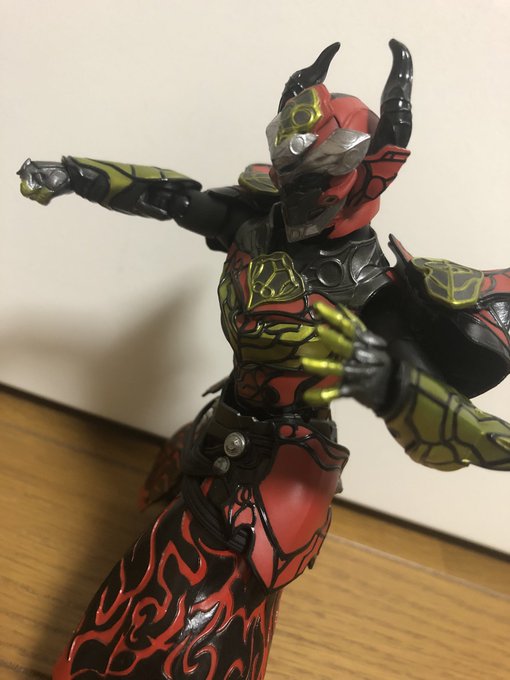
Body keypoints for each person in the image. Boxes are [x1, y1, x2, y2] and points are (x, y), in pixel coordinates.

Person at [18, 40, 510, 680]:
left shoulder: (373, 291)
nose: (298, 198)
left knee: (197, 617)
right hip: (224, 423)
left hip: (278, 465)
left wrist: (391, 383)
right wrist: (76, 175)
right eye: (291, 179)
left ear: (369, 175)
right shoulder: (259, 222)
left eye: (315, 182)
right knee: (144, 578)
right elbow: (175, 199)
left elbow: (445, 417)